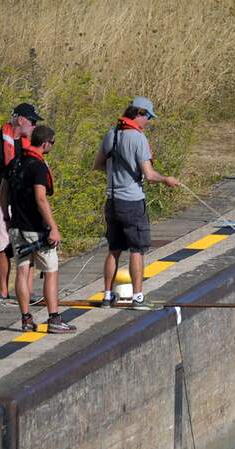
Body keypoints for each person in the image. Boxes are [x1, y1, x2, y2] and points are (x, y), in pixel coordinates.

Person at [93, 97, 179, 310]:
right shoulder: (138, 139)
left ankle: (106, 296)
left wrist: (116, 174)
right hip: (131, 202)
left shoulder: (111, 134)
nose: (148, 121)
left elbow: (97, 165)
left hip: (112, 201)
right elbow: (148, 175)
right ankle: (138, 297)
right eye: (148, 117)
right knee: (137, 250)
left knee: (113, 249)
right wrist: (166, 180)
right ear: (139, 113)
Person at [0, 125, 74, 333]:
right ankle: (54, 319)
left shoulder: (15, 162)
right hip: (36, 229)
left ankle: (25, 319)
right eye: (53, 143)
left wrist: (6, 217)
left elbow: (2, 194)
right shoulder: (38, 167)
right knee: (51, 271)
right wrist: (53, 228)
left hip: (16, 227)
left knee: (22, 271)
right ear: (46, 143)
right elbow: (41, 198)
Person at [0, 103, 41, 304]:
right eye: (32, 121)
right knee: (1, 247)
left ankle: (27, 289)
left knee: (28, 244)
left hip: (23, 202)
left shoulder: (30, 142)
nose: (34, 126)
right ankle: (3, 291)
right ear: (21, 119)